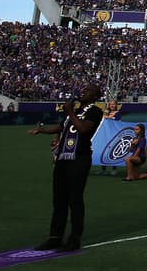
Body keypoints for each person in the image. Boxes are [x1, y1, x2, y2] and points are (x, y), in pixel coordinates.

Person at [29, 82, 104, 252]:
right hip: (63, 158)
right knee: (59, 198)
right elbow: (62, 127)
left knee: (75, 199)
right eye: (83, 89)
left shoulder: (94, 111)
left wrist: (70, 111)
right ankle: (55, 237)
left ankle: (74, 239)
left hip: (80, 158)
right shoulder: (75, 111)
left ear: (94, 96)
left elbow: (83, 129)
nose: (83, 91)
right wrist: (42, 130)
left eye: (88, 90)